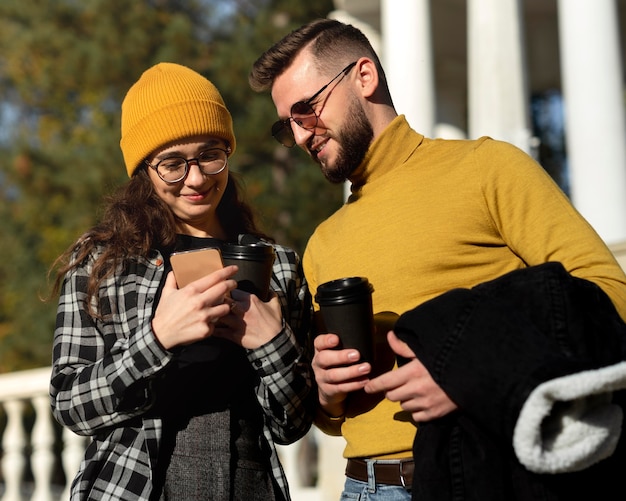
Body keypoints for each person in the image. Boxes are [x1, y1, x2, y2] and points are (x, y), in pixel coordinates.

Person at [249, 18, 626, 500]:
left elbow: (607, 295)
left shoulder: (489, 169)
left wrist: (468, 369)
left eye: (307, 110)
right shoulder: (323, 241)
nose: (301, 136)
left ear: (363, 77)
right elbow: (335, 419)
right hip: (361, 488)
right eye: (288, 125)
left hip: (478, 477)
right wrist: (326, 388)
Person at [49, 62, 314, 501]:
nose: (195, 178)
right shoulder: (103, 263)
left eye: (210, 154)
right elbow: (71, 406)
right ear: (144, 171)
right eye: (172, 163)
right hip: (134, 486)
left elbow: (293, 423)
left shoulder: (278, 266)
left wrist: (272, 342)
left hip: (248, 485)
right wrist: (157, 339)